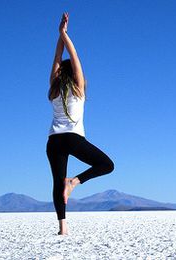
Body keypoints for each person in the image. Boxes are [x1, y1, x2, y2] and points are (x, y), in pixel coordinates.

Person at [46, 12, 114, 235]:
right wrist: (65, 35)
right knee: (107, 165)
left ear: (58, 75)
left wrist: (60, 36)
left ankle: (62, 228)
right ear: (75, 76)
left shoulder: (54, 89)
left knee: (57, 182)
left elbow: (58, 59)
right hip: (73, 139)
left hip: (54, 141)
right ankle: (74, 182)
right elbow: (73, 57)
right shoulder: (79, 90)